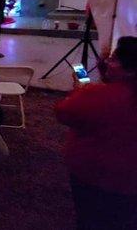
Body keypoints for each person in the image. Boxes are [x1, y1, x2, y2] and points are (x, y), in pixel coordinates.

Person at [55, 36, 137, 229]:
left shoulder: (100, 96)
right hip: (129, 183)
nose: (108, 62)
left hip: (96, 175)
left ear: (131, 70)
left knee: (91, 219)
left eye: (114, 60)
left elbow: (64, 112)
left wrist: (81, 90)